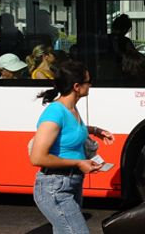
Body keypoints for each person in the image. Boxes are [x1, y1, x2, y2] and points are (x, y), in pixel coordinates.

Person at [30, 60, 115, 234]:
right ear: (77, 86)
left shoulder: (71, 109)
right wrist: (77, 163)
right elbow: (37, 158)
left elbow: (69, 131)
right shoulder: (55, 112)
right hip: (55, 187)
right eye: (88, 81)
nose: (90, 85)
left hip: (71, 183)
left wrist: (95, 130)